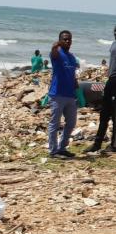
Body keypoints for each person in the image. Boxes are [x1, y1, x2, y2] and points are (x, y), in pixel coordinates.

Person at [47, 30, 80, 158]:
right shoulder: (57, 54)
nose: (67, 41)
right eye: (65, 39)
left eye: (69, 39)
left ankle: (62, 147)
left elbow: (72, 74)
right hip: (57, 94)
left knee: (71, 122)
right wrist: (55, 46)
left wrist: (77, 90)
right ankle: (53, 151)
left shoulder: (72, 57)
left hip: (70, 95)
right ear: (60, 40)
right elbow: (53, 53)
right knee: (54, 123)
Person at [87, 28, 116, 152]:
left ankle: (114, 145)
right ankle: (97, 144)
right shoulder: (113, 43)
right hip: (110, 80)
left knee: (115, 114)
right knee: (104, 113)